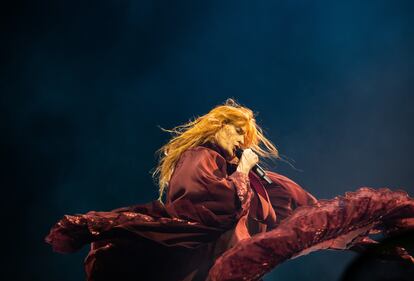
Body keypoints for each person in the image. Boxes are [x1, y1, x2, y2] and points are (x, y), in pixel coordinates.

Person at [46, 99, 414, 281]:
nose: (243, 140)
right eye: (238, 131)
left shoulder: (260, 183)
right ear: (218, 126)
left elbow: (309, 219)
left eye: (247, 136)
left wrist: (369, 242)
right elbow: (211, 209)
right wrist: (241, 170)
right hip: (200, 268)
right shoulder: (199, 157)